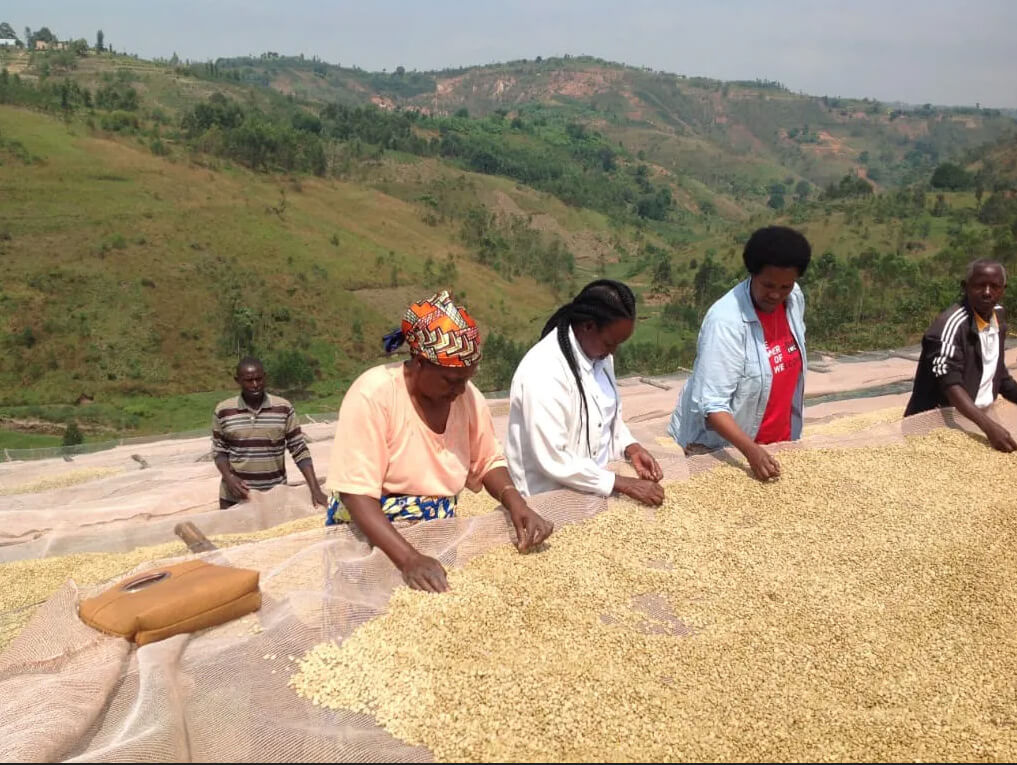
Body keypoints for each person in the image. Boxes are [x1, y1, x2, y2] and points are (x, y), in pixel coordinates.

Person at [325, 290, 554, 593]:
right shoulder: (374, 394)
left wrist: (516, 502)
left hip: (438, 532)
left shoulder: (469, 399)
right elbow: (356, 493)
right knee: (366, 622)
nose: (460, 390)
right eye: (450, 380)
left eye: (466, 379)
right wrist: (408, 559)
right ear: (419, 362)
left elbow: (488, 461)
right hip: (373, 536)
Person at [668, 226, 811, 481]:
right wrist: (751, 452)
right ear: (752, 273)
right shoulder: (726, 323)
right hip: (726, 451)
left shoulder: (794, 299)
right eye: (768, 285)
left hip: (778, 443)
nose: (776, 294)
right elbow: (712, 406)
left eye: (785, 286)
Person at [506, 280, 665, 506]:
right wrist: (624, 484)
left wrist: (631, 447)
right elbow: (553, 458)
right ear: (588, 326)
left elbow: (606, 416)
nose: (613, 352)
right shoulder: (543, 370)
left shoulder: (600, 356)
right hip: (544, 501)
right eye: (610, 342)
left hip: (590, 493)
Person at [904, 259, 1017, 452]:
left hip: (974, 420)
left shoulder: (997, 319)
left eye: (994, 286)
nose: (988, 292)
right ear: (966, 287)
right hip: (937, 426)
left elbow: (999, 374)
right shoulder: (950, 326)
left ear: (1003, 289)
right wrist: (989, 427)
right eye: (980, 285)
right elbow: (950, 383)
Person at [212, 357, 328, 509]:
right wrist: (229, 478)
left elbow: (299, 449)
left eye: (259, 379)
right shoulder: (224, 411)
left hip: (274, 497)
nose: (255, 385)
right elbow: (219, 452)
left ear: (265, 377)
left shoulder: (283, 408)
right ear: (238, 380)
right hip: (236, 497)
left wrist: (315, 489)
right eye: (249, 380)